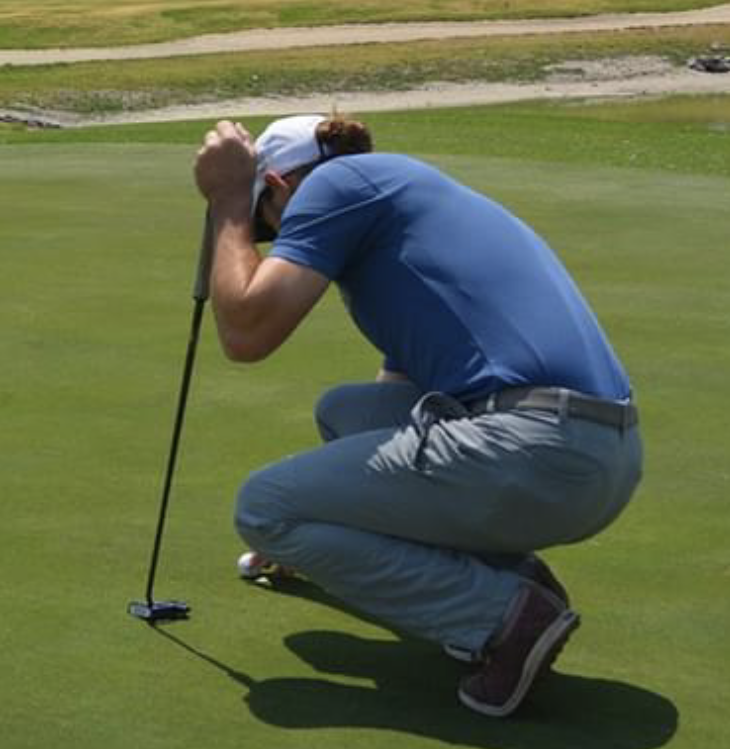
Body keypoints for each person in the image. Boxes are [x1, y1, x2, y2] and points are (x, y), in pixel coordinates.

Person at [192, 113, 642, 718]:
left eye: (267, 222)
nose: (278, 239)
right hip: (595, 451)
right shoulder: (399, 201)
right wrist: (332, 521)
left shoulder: (334, 185)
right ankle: (519, 580)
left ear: (278, 184)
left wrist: (226, 201)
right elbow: (390, 413)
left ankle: (505, 617)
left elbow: (245, 333)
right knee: (345, 412)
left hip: (539, 448)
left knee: (264, 509)